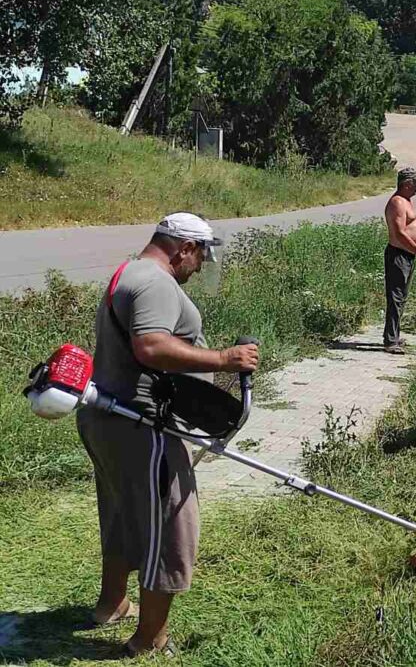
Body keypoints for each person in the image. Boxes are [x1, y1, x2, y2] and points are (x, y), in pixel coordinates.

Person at [77, 212, 259, 658]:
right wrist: (225, 358)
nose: (199, 268)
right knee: (171, 523)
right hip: (142, 426)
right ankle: (148, 639)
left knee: (121, 511)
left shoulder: (130, 271)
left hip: (108, 416)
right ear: (184, 248)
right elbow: (152, 347)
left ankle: (111, 603)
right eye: (200, 258)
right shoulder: (157, 283)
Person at [383, 167, 416, 354]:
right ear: (406, 184)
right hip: (398, 255)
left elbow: (409, 225)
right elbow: (399, 234)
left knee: (402, 297)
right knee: (396, 297)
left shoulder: (407, 201)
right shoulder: (397, 202)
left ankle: (394, 335)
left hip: (408, 255)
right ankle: (390, 341)